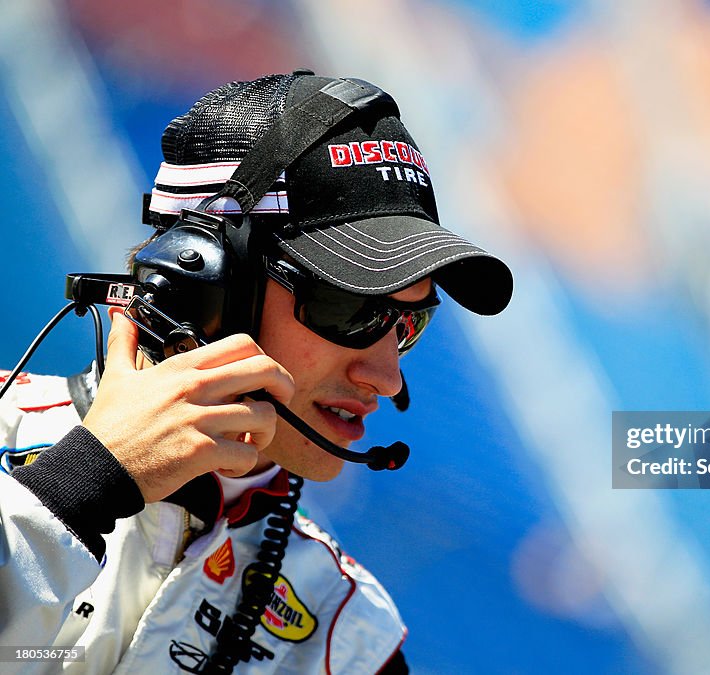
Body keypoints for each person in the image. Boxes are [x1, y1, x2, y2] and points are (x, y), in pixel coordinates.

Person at [0, 72, 512, 674]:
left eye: (408, 324)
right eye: (351, 308)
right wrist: (86, 483)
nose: (387, 375)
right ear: (204, 282)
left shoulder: (348, 640)